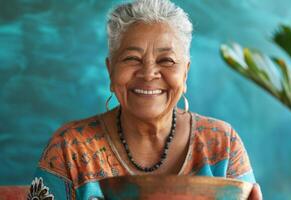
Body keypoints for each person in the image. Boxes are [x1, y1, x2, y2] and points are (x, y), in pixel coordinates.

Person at [27, 0, 262, 199]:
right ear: (111, 70)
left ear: (185, 73)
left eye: (166, 60)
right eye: (132, 58)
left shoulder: (222, 144)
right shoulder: (70, 148)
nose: (149, 73)